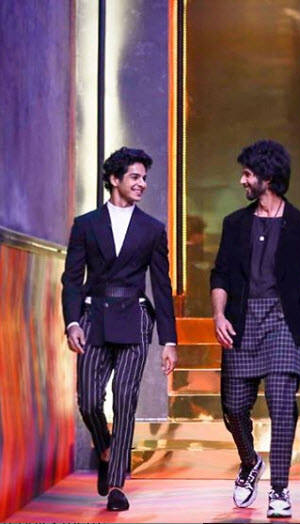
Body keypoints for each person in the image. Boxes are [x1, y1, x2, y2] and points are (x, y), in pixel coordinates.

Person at [210, 140, 300, 519]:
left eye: (247, 174)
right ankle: (250, 462)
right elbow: (220, 274)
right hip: (241, 323)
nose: (242, 180)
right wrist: (219, 315)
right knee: (233, 407)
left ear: (267, 178)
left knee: (282, 405)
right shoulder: (235, 224)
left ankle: (280, 489)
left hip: (284, 326)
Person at [61, 147, 177, 511]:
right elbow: (71, 279)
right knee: (89, 400)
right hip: (93, 317)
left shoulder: (153, 229)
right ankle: (107, 448)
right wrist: (72, 321)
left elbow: (162, 286)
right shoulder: (85, 225)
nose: (142, 184)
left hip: (135, 318)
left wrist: (169, 340)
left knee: (125, 398)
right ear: (114, 179)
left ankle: (116, 484)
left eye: (144, 178)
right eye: (135, 177)